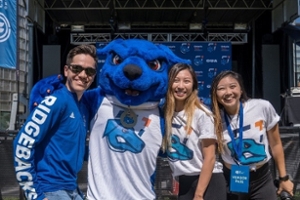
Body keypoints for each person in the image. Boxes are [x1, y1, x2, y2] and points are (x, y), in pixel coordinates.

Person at [13, 44, 97, 200]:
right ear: (66, 70)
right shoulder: (56, 101)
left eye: (89, 71)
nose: (83, 75)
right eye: (77, 69)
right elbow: (22, 144)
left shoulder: (83, 106)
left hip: (72, 188)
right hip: (50, 190)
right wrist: (35, 195)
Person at [210, 70, 294, 200]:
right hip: (233, 178)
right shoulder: (214, 119)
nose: (228, 93)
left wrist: (284, 178)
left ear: (241, 89)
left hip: (262, 179)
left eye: (233, 86)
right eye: (221, 89)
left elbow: (276, 144)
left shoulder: (262, 107)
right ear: (215, 94)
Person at [162, 63, 226, 200]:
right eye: (176, 80)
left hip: (209, 183)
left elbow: (210, 157)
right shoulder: (164, 114)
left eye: (186, 81)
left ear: (193, 86)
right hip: (185, 183)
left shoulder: (202, 114)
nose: (180, 86)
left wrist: (199, 194)